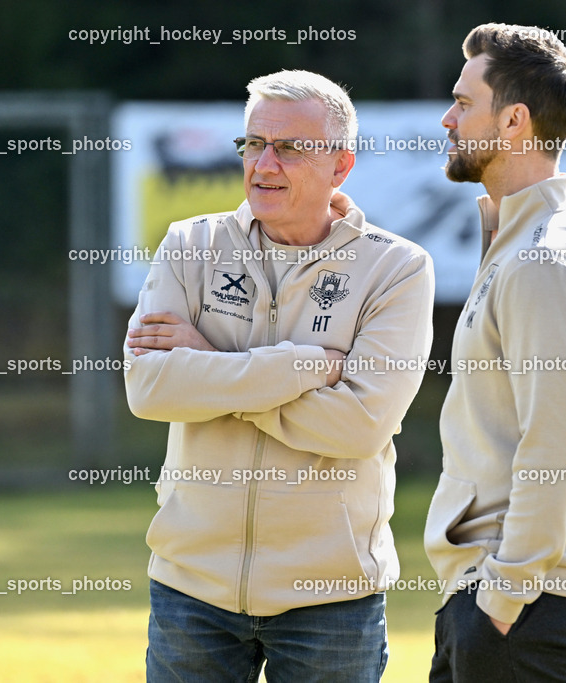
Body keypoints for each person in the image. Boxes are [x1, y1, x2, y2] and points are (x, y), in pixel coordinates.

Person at [124, 69, 434, 683]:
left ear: (341, 166)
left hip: (332, 597)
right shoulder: (189, 245)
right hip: (192, 589)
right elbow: (148, 389)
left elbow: (358, 427)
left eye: (289, 148)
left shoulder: (396, 268)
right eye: (252, 144)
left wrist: (209, 367)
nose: (263, 163)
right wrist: (304, 368)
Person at [423, 24, 566, 682]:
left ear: (513, 121)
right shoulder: (520, 240)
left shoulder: (543, 258)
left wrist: (503, 599)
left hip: (522, 599)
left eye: (462, 102)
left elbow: (554, 444)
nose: (448, 119)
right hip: (500, 592)